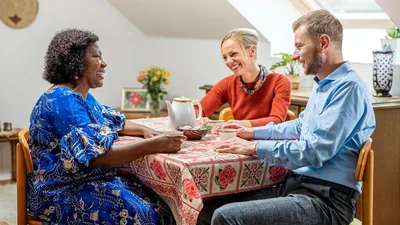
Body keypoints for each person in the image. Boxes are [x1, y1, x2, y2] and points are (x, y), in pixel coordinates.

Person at [197, 10, 376, 225]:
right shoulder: (325, 85)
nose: (294, 54)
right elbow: (301, 126)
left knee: (226, 217)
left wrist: (255, 147)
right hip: (298, 185)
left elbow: (315, 150)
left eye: (300, 46)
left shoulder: (348, 89)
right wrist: (252, 133)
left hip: (326, 201)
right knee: (205, 209)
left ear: (324, 43)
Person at [28, 28, 186, 224]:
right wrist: (154, 145)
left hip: (86, 181)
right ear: (76, 63)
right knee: (144, 214)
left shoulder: (80, 96)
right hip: (61, 191)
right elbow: (98, 157)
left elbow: (114, 122)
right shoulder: (63, 100)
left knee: (161, 204)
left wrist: (145, 131)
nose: (104, 63)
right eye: (96, 56)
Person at [195, 28, 291, 128]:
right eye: (225, 57)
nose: (228, 61)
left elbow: (276, 121)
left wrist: (240, 124)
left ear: (251, 51)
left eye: (233, 54)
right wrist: (199, 118)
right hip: (240, 141)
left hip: (269, 142)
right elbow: (197, 109)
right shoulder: (227, 84)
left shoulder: (280, 82)